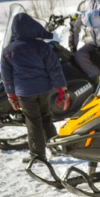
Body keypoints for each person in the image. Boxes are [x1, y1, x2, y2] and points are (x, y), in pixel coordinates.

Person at [1, 14, 68, 163]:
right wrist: (61, 88)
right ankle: (55, 147)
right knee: (46, 116)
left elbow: (6, 77)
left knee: (33, 121)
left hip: (24, 93)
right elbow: (54, 68)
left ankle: (38, 155)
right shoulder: (42, 46)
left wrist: (11, 96)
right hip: (44, 90)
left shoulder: (8, 51)